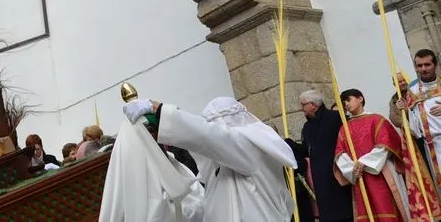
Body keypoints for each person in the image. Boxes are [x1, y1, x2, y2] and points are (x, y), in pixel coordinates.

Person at [124, 96, 297, 221]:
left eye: (214, 124)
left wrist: (157, 109)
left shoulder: (250, 147)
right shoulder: (226, 164)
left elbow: (209, 136)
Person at [334, 88, 441, 222]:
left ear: (360, 99)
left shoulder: (377, 119)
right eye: (343, 102)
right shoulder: (344, 127)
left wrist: (364, 162)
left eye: (348, 100)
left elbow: (386, 144)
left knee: (388, 205)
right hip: (359, 175)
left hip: (381, 170)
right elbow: (340, 152)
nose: (346, 104)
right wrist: (352, 167)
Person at [98, 110, 204, 222]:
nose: (160, 137)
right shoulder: (134, 175)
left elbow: (198, 196)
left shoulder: (172, 162)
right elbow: (159, 214)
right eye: (152, 131)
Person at [299, 89, 354, 222]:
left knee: (345, 213)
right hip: (320, 181)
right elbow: (305, 150)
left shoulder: (336, 118)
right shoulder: (307, 127)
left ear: (313, 105)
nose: (301, 108)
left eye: (303, 104)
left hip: (337, 174)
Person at [406, 49, 441, 187]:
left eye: (427, 64)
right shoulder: (413, 91)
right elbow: (415, 128)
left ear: (435, 65)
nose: (423, 69)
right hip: (432, 144)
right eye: (419, 65)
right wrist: (405, 109)